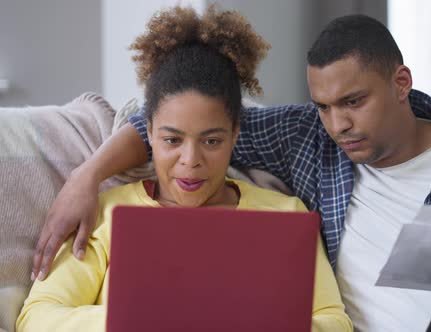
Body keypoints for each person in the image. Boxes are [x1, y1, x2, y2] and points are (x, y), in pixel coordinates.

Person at [32, 11, 431, 332]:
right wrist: (86, 178)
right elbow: (176, 116)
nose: (337, 124)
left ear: (401, 84)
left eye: (352, 102)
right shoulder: (308, 138)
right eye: (322, 106)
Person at [17, 6, 353, 332]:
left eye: (211, 142)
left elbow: (335, 321)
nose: (190, 161)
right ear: (148, 132)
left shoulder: (286, 215)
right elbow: (37, 318)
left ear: (236, 133)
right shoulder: (107, 215)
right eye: (173, 140)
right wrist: (145, 318)